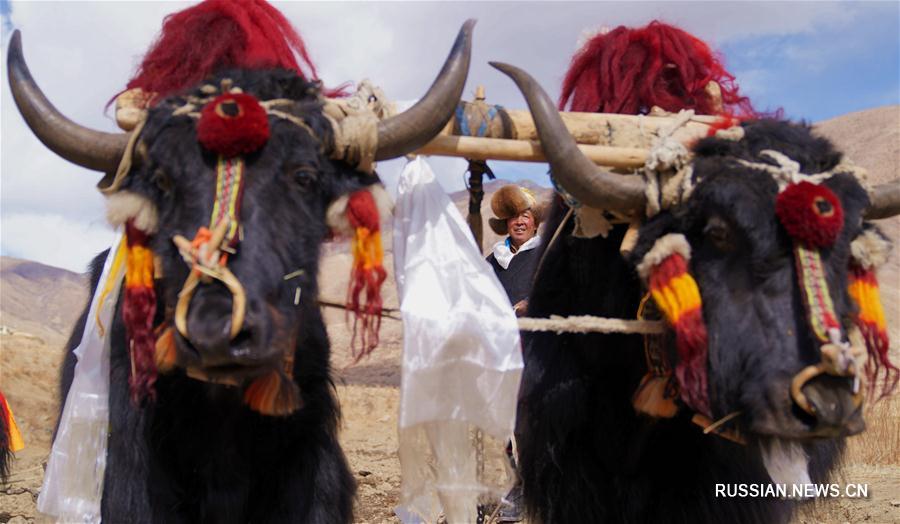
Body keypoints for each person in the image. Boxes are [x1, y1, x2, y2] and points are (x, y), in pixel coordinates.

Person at [485, 185, 543, 318]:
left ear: (535, 224)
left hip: (533, 331)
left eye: (525, 216)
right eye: (513, 217)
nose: (519, 222)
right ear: (507, 224)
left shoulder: (547, 256)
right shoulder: (491, 261)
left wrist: (529, 304)